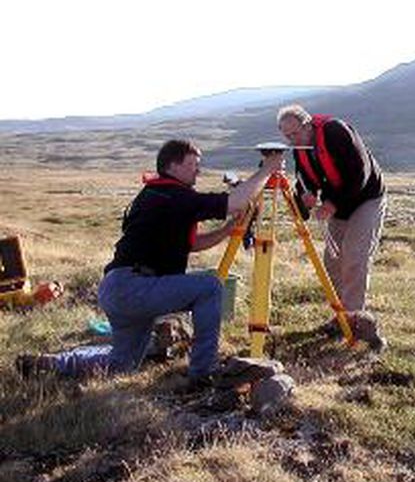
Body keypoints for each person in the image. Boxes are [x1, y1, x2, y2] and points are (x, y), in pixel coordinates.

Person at [17, 139, 283, 385]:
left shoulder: (157, 194)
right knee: (210, 287)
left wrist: (226, 231)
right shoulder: (174, 195)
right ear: (172, 166)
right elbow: (237, 201)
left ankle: (52, 364)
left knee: (122, 364)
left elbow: (191, 245)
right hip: (134, 288)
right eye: (192, 165)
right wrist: (268, 170)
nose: (197, 172)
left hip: (119, 289)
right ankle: (204, 371)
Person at [277, 104, 386, 313]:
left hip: (366, 198)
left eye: (296, 133)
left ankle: (353, 318)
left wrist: (331, 203)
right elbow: (303, 181)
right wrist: (304, 201)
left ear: (308, 125)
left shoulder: (336, 131)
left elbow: (359, 173)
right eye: (288, 136)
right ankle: (341, 316)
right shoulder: (299, 150)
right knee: (334, 261)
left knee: (354, 257)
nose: (293, 140)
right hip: (338, 204)